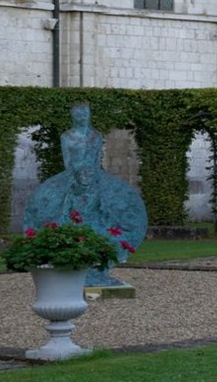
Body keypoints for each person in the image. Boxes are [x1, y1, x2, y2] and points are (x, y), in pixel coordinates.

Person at [22, 103, 148, 285]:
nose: (82, 117)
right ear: (73, 116)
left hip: (93, 177)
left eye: (85, 114)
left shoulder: (96, 135)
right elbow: (67, 160)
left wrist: (95, 177)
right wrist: (74, 178)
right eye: (79, 114)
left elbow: (97, 159)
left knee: (102, 214)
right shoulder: (67, 137)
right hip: (75, 177)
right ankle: (74, 267)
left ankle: (97, 271)